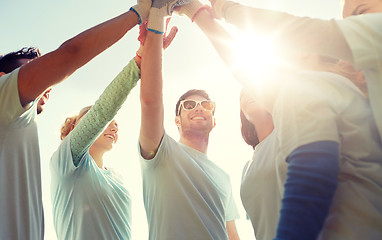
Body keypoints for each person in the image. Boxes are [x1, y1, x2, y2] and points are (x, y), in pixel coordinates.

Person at [176, 3, 382, 239]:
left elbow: (312, 182)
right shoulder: (344, 98)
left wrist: (217, 10)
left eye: (361, 13)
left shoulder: (312, 90)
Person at [0, 1, 156, 238]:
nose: (47, 82)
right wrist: (139, 14)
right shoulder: (5, 95)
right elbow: (71, 58)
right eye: (36, 69)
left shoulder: (22, 125)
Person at [49, 19, 177, 240]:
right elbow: (102, 112)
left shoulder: (117, 177)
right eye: (107, 122)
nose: (113, 125)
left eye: (115, 123)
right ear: (75, 128)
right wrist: (139, 61)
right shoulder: (66, 160)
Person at [138, 2, 240, 239]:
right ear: (177, 120)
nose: (199, 108)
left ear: (214, 120)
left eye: (206, 105)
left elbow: (231, 234)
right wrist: (156, 23)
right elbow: (150, 101)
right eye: (189, 105)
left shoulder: (222, 176)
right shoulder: (162, 152)